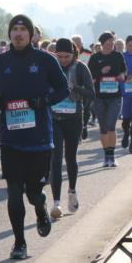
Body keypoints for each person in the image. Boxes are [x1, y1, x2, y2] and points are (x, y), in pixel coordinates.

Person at [0, 15, 69, 260]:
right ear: (9, 34)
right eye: (14, 29)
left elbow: (62, 88)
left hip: (39, 139)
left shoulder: (45, 60)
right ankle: (19, 243)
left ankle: (41, 209)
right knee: (13, 191)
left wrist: (45, 100)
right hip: (11, 139)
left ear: (31, 35)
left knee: (33, 193)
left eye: (23, 29)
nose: (18, 34)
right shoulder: (1, 62)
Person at [48, 39, 95, 218]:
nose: (63, 60)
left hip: (74, 118)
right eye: (59, 57)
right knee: (55, 159)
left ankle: (72, 190)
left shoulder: (81, 68)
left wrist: (76, 88)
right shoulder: (52, 67)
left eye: (67, 57)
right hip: (55, 118)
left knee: (70, 157)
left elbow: (92, 94)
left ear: (74, 54)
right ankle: (56, 202)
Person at [87, 31, 127, 167]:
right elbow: (90, 77)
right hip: (99, 97)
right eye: (108, 43)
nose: (111, 45)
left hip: (115, 96)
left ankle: (112, 156)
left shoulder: (117, 56)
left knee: (111, 125)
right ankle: (106, 156)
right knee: (103, 127)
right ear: (102, 43)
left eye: (113, 42)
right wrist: (101, 73)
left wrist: (122, 75)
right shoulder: (94, 58)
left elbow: (123, 71)